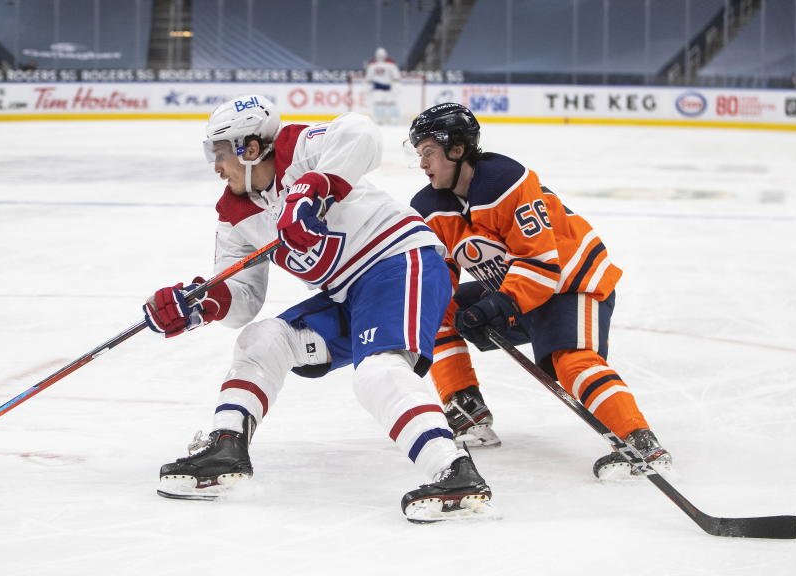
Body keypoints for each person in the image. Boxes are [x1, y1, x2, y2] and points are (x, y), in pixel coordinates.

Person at [142, 94, 493, 521]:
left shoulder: (300, 149)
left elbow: (360, 132)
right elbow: (242, 301)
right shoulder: (234, 215)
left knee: (378, 371)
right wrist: (201, 304)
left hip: (401, 260)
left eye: (219, 153)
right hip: (347, 293)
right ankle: (226, 448)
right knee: (263, 339)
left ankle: (452, 471)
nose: (215, 166)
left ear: (249, 149)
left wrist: (314, 189)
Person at [405, 103, 673, 480]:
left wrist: (498, 303)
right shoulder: (430, 207)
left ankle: (641, 442)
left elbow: (542, 265)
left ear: (457, 148)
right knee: (435, 308)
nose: (422, 164)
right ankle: (466, 407)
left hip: (572, 284)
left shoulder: (507, 181)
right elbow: (439, 275)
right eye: (418, 154)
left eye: (428, 152)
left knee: (571, 360)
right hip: (518, 291)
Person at [364, 47, 401, 125]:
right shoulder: (388, 65)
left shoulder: (375, 66)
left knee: (390, 104)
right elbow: (396, 77)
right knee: (380, 104)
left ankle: (393, 119)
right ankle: (380, 119)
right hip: (380, 88)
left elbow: (396, 77)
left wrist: (395, 86)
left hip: (386, 88)